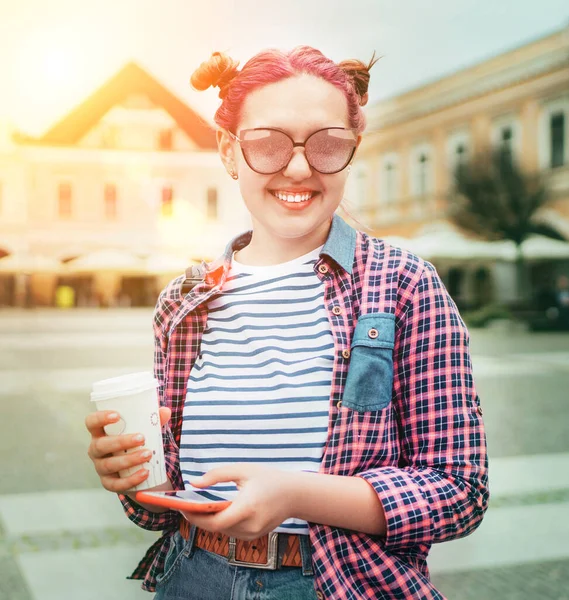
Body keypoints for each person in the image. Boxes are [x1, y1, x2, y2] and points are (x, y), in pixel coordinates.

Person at [85, 46, 489, 600]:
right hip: (192, 577)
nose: (298, 166)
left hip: (338, 585)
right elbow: (161, 509)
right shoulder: (183, 303)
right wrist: (133, 477)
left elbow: (459, 490)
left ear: (352, 151)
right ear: (229, 151)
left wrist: (298, 496)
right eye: (268, 143)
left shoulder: (404, 286)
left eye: (327, 144)